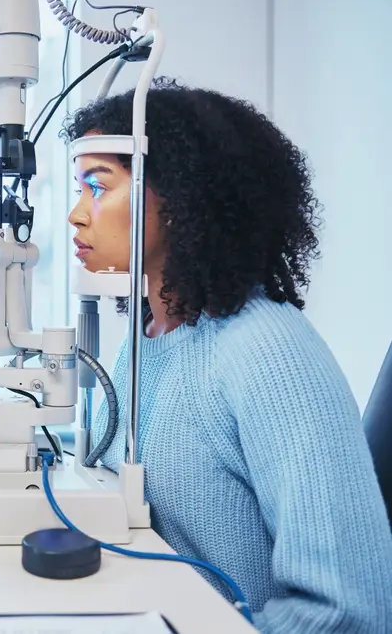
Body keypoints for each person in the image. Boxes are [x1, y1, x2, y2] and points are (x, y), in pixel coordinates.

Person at [63, 77, 392, 633]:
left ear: (178, 196)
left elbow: (346, 609)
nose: (76, 214)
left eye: (98, 186)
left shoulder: (266, 351)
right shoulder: (150, 336)